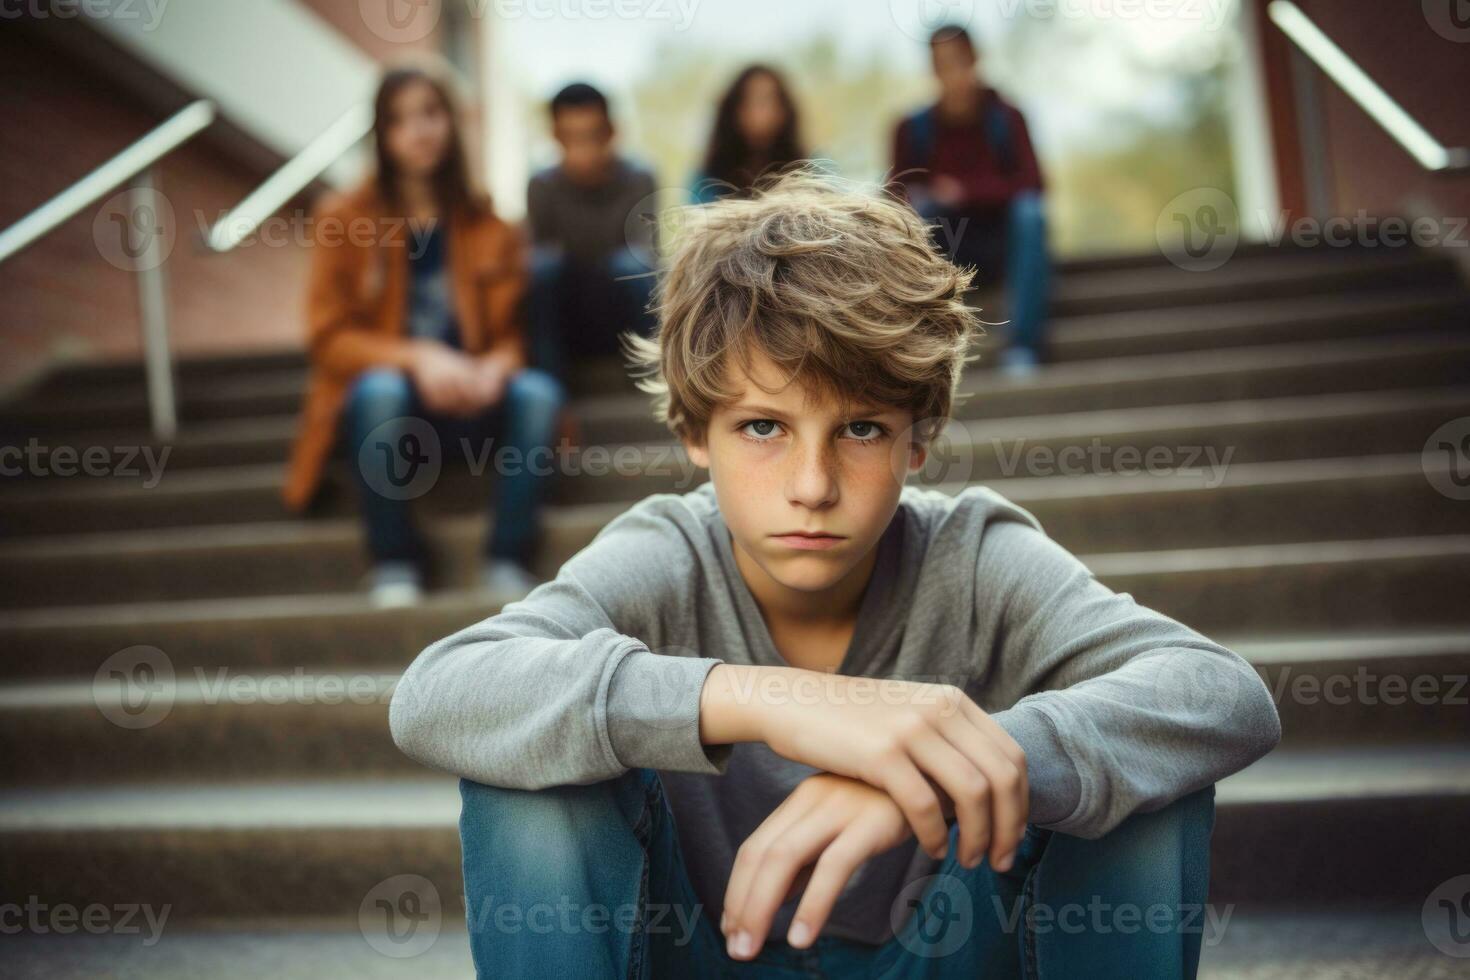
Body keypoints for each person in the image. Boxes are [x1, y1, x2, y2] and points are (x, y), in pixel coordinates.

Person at [389, 168, 1281, 976]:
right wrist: (778, 701)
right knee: (534, 773)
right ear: (695, 434)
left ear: (918, 440)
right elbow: (439, 693)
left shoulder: (972, 555)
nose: (812, 488)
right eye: (763, 428)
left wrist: (934, 770)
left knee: (1132, 783)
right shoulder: (666, 551)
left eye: (859, 430)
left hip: (939, 958)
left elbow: (1217, 692)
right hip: (699, 958)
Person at [280, 60, 565, 607]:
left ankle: (507, 558)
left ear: (451, 123)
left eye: (431, 113)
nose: (420, 131)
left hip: (474, 405)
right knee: (379, 390)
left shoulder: (491, 226)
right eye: (400, 119)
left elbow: (513, 338)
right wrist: (419, 357)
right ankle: (395, 562)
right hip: (389, 417)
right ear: (383, 134)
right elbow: (328, 338)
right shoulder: (343, 218)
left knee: (539, 394)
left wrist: (491, 369)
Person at [892, 25, 1052, 378]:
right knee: (914, 214)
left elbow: (1034, 184)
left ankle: (1023, 345)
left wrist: (966, 192)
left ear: (975, 60)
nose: (951, 72)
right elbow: (894, 194)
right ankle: (919, 350)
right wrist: (936, 196)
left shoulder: (1006, 117)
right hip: (945, 242)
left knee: (1030, 214)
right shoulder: (912, 128)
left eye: (958, 60)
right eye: (941, 63)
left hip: (1002, 242)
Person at [526, 82, 659, 388]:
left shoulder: (639, 178)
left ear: (611, 132)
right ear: (556, 136)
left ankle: (652, 377)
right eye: (571, 137)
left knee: (634, 264)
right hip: (569, 310)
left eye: (591, 135)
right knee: (540, 267)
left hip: (622, 305)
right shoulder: (541, 186)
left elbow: (646, 255)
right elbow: (541, 264)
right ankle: (551, 386)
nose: (582, 149)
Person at [691, 65, 809, 204]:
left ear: (785, 109)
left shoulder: (812, 172)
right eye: (751, 100)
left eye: (768, 99)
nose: (760, 109)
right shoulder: (706, 179)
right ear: (734, 109)